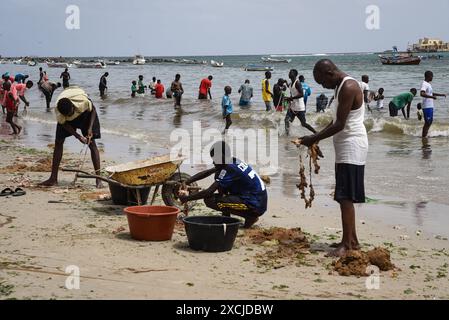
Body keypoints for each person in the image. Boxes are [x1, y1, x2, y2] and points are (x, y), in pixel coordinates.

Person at [300, 59, 369, 257]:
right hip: (345, 147)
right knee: (343, 195)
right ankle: (352, 241)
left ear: (330, 73)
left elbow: (339, 125)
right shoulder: (339, 87)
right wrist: (316, 140)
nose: (323, 86)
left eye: (322, 82)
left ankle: (347, 245)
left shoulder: (348, 86)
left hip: (353, 145)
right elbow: (334, 120)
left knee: (345, 196)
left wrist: (312, 138)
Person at [179, 141, 267, 228]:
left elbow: (209, 192)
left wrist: (187, 198)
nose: (213, 162)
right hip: (256, 198)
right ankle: (226, 218)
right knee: (219, 177)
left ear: (222, 156)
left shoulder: (230, 168)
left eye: (214, 159)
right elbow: (207, 172)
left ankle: (250, 217)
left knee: (210, 200)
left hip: (255, 204)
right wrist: (187, 181)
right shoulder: (232, 161)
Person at [39, 86, 102, 188]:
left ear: (73, 106)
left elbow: (93, 110)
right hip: (67, 114)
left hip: (85, 114)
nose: (71, 116)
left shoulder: (83, 103)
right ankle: (53, 178)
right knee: (58, 142)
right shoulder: (59, 111)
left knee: (92, 143)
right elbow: (64, 123)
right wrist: (78, 136)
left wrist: (89, 129)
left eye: (71, 114)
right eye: (68, 116)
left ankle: (98, 180)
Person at [284, 69, 316, 135]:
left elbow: (301, 94)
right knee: (287, 121)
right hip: (292, 107)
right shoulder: (290, 84)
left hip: (299, 107)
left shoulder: (297, 83)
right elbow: (289, 87)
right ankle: (287, 135)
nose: (289, 74)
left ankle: (315, 132)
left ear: (295, 75)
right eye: (289, 72)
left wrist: (290, 98)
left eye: (290, 73)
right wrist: (285, 82)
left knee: (303, 124)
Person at [420, 71, 446, 138]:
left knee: (429, 122)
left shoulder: (428, 84)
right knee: (428, 122)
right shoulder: (424, 84)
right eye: (432, 76)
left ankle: (425, 136)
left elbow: (431, 93)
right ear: (428, 76)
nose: (432, 77)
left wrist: (441, 95)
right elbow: (422, 93)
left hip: (430, 106)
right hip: (426, 106)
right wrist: (432, 97)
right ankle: (423, 137)